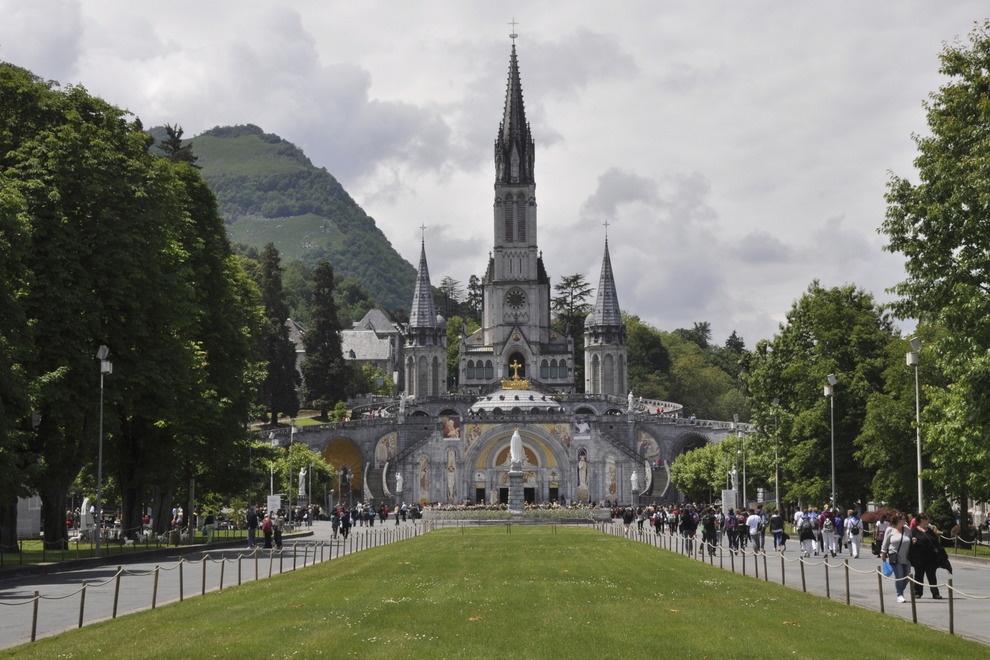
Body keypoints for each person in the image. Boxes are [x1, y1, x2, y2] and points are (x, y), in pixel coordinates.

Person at [910, 513, 949, 599]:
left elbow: (935, 542)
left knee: (932, 576)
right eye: (927, 519)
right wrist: (914, 542)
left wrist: (937, 550)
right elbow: (911, 545)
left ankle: (935, 593)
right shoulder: (914, 531)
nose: (928, 521)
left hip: (931, 558)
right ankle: (917, 592)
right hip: (919, 558)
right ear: (922, 520)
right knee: (918, 576)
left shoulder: (930, 530)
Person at [881, 514, 913, 603]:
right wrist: (883, 553)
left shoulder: (907, 529)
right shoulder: (890, 530)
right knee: (899, 576)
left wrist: (914, 540)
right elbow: (885, 543)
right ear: (898, 521)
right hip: (895, 556)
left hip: (906, 557)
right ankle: (900, 594)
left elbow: (911, 539)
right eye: (903, 519)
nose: (905, 520)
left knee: (906, 577)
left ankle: (900, 590)